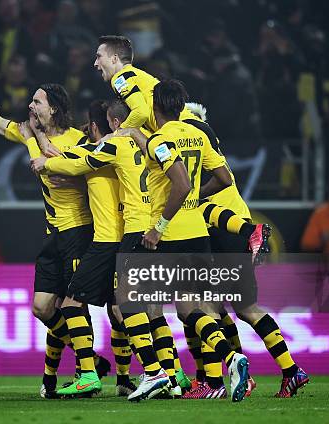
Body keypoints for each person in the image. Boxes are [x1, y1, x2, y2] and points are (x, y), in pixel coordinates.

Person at [0, 60, 110, 399]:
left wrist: (47, 149)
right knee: (41, 308)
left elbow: (75, 171)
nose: (30, 106)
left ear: (54, 109)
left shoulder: (79, 140)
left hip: (80, 231)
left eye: (37, 101)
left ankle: (89, 373)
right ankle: (88, 358)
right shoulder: (28, 132)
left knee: (72, 303)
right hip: (54, 235)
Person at [114, 79, 250, 402]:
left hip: (172, 236)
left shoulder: (162, 138)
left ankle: (154, 373)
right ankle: (232, 358)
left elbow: (180, 183)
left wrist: (159, 226)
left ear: (155, 107)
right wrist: (195, 201)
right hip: (198, 235)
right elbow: (225, 179)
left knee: (130, 299)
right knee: (191, 309)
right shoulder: (198, 134)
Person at [32, 99, 176, 402]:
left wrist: (46, 161)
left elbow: (77, 162)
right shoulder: (147, 146)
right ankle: (166, 375)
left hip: (116, 236)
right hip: (146, 228)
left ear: (107, 124)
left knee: (74, 304)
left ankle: (99, 375)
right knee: (131, 309)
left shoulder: (113, 147)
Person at [92, 35, 270, 261]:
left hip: (180, 130)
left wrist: (117, 134)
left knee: (186, 189)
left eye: (99, 56)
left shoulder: (120, 78)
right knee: (201, 195)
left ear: (115, 58)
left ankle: (246, 234)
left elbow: (140, 111)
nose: (96, 63)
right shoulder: (137, 76)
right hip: (197, 128)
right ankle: (248, 232)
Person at [185, 101, 310, 399]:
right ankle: (290, 370)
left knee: (202, 308)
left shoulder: (190, 143)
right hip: (236, 229)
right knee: (244, 309)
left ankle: (212, 383)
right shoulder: (210, 147)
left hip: (218, 231)